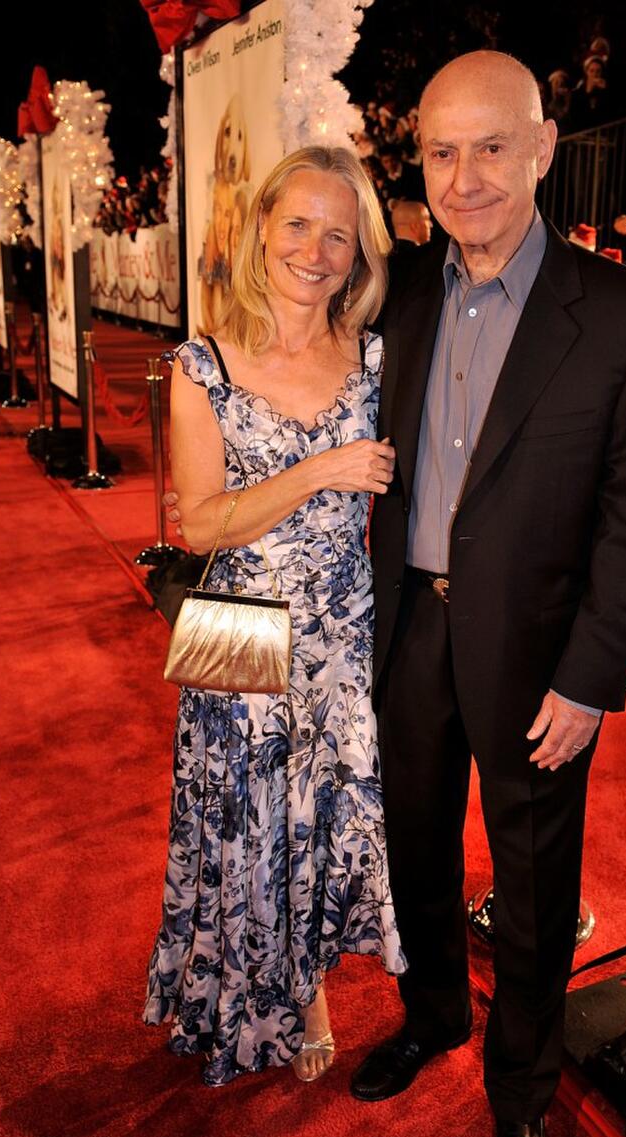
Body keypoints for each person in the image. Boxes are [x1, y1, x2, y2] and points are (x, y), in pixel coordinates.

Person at [350, 51, 626, 1137]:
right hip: (408, 635)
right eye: (442, 151)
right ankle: (434, 1013)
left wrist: (592, 678)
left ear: (542, 148)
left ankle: (520, 1100)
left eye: (493, 146)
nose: (466, 175)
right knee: (414, 846)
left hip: (542, 658)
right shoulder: (397, 296)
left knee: (535, 885)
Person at [144, 145, 405, 1088]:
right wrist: (320, 470)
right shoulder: (202, 362)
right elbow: (203, 520)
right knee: (246, 821)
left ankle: (306, 983)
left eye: (339, 233)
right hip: (236, 620)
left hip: (341, 627)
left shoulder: (377, 358)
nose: (315, 248)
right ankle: (264, 997)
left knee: (323, 816)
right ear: (260, 226)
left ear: (360, 254)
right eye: (298, 223)